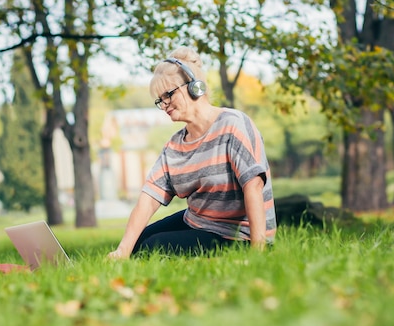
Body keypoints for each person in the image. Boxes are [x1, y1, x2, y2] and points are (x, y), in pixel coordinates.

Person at [107, 46, 277, 259]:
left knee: (152, 247)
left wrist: (257, 251)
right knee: (136, 243)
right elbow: (148, 198)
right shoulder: (175, 145)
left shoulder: (234, 125)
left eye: (168, 95)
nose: (165, 105)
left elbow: (254, 187)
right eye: (160, 100)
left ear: (195, 87)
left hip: (236, 235)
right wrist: (122, 250)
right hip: (200, 222)